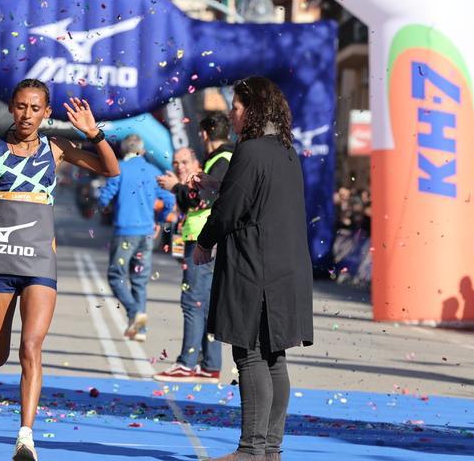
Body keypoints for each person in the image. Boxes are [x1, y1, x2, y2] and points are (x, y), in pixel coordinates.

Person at [0, 79, 119, 461]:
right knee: (0, 352)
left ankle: (25, 437)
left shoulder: (56, 148)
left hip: (40, 259)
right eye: (20, 107)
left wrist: (94, 133)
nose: (27, 115)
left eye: (35, 109)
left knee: (31, 346)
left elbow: (109, 169)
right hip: (0, 258)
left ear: (46, 112)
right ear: (11, 108)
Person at [192, 76, 313, 461]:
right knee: (274, 357)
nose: (232, 113)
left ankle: (250, 450)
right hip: (286, 267)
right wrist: (218, 184)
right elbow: (250, 195)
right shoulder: (284, 151)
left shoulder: (251, 150)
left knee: (250, 355)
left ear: (254, 110)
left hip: (255, 268)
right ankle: (270, 450)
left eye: (237, 107)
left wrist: (204, 240)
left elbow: (231, 210)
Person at [154, 113, 234, 382]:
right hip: (206, 239)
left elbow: (203, 199)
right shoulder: (225, 158)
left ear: (204, 134)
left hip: (205, 240)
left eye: (183, 162)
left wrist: (176, 186)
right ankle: (210, 364)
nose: (179, 166)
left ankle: (187, 363)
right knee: (207, 303)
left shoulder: (221, 159)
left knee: (193, 302)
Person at [97, 134, 174, 342]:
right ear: (143, 151)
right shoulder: (153, 171)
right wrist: (159, 219)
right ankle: (139, 329)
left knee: (116, 276)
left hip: (125, 230)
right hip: (147, 232)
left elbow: (104, 197)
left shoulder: (119, 169)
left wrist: (104, 207)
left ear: (123, 150)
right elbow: (169, 199)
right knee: (139, 280)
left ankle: (134, 313)